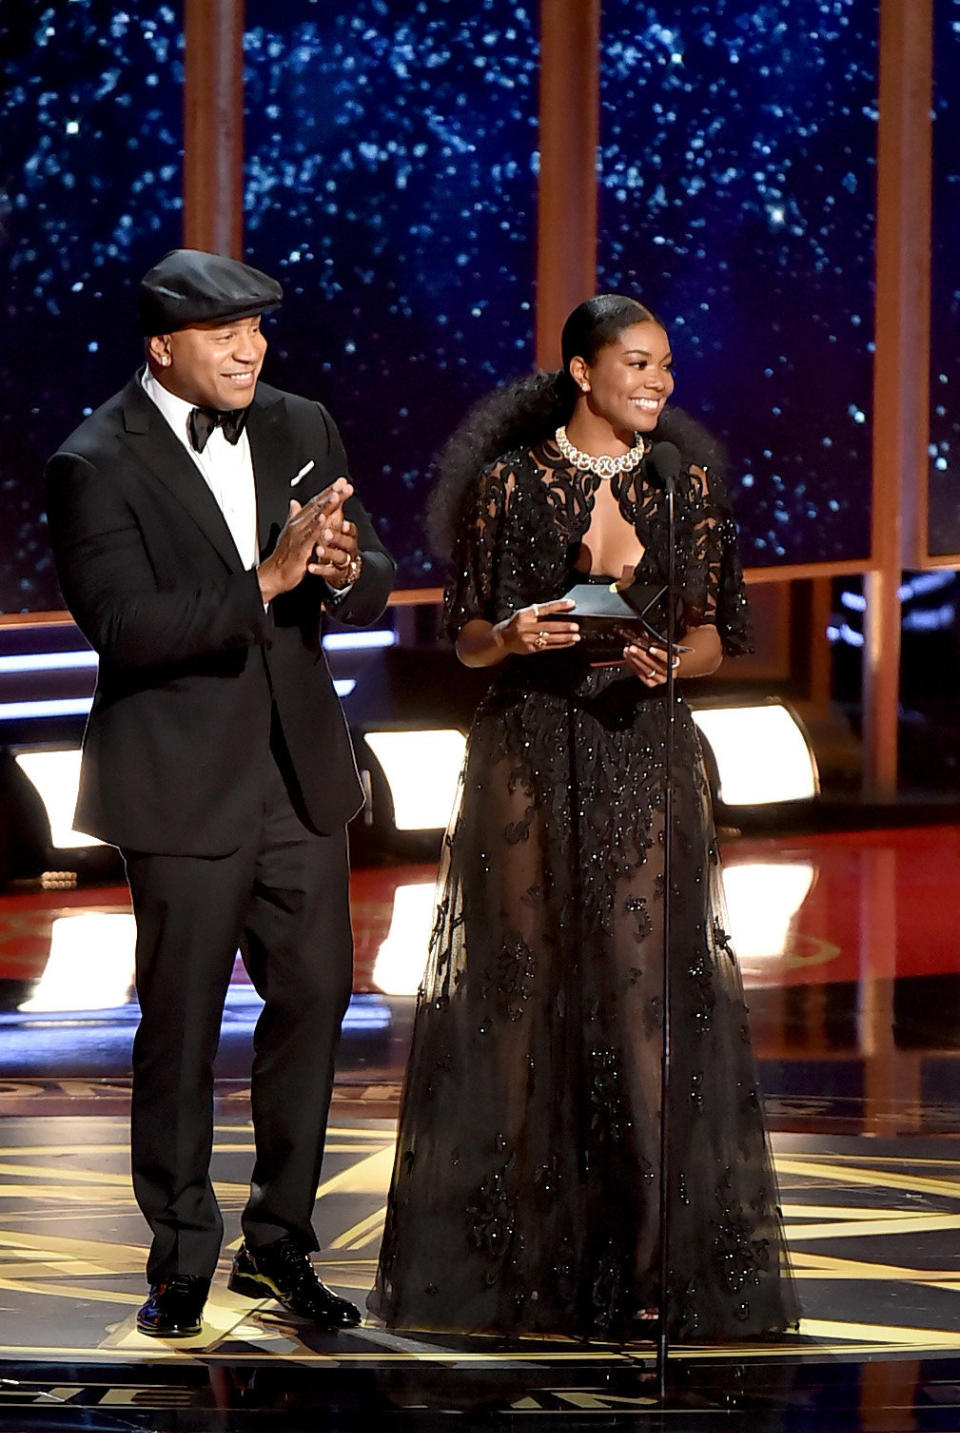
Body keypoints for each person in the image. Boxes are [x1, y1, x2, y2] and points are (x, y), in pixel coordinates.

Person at [368, 294, 797, 1343]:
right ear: (581, 371)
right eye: (638, 364)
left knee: (643, 1006)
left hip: (643, 753)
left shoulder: (685, 486)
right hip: (525, 752)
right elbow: (466, 636)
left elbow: (712, 635)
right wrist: (507, 636)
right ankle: (520, 1260)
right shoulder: (508, 487)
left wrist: (666, 660)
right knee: (518, 1001)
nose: (658, 383)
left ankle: (650, 1256)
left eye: (666, 368)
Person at [44, 248, 395, 1338]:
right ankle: (183, 1254)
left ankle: (280, 1247)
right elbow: (128, 628)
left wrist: (339, 568)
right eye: (224, 332)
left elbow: (374, 569)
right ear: (162, 346)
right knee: (183, 1026)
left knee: (316, 1004)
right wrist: (269, 580)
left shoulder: (302, 422)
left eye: (259, 328)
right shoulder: (95, 460)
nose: (250, 348)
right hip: (181, 786)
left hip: (298, 779)